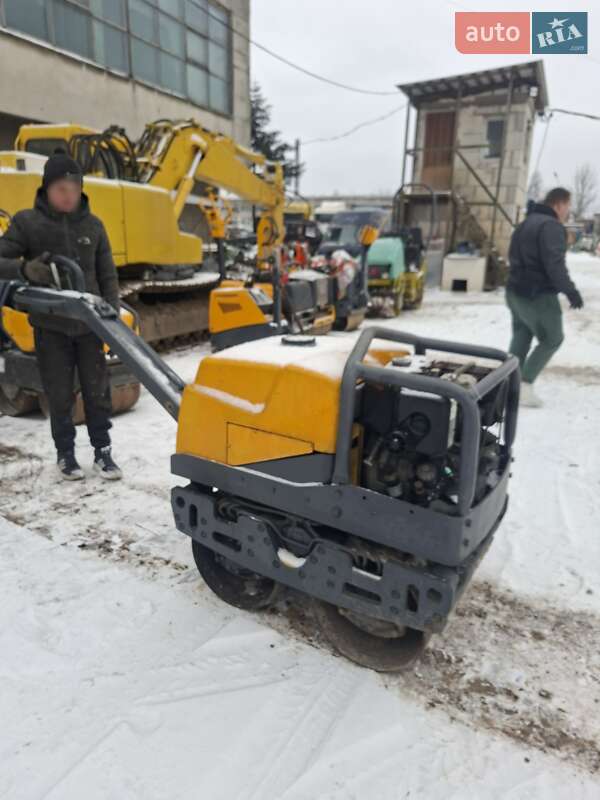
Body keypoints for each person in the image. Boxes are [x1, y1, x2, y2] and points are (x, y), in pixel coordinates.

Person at [0, 153, 122, 480]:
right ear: (47, 189)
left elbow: (107, 275)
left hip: (90, 324)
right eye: (61, 188)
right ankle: (65, 455)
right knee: (59, 393)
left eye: (74, 188)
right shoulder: (28, 223)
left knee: (97, 391)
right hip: (50, 326)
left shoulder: (94, 226)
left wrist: (113, 320)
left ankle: (103, 452)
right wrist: (24, 269)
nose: (69, 195)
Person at [506, 187, 583, 408]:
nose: (568, 210)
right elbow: (554, 265)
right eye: (568, 205)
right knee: (552, 338)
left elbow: (512, 254)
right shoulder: (551, 226)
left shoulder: (525, 223)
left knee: (522, 334)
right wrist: (571, 291)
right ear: (559, 204)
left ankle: (509, 383)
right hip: (537, 295)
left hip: (515, 291)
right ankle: (525, 385)